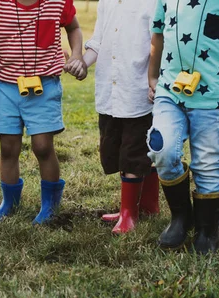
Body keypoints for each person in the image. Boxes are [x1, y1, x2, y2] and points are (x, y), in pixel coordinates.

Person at [147, 0, 219, 253]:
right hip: (169, 91)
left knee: (207, 162)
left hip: (211, 96)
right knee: (161, 146)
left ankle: (207, 230)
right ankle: (181, 217)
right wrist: (152, 75)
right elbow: (157, 37)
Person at [0, 0, 87, 224]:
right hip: (6, 86)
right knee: (8, 146)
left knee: (43, 146)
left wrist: (76, 54)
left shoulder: (57, 2)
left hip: (44, 86)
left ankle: (49, 206)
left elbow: (73, 28)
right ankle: (10, 202)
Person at [83, 0, 160, 234]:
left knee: (134, 153)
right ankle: (144, 205)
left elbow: (158, 43)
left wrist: (154, 80)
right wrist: (83, 63)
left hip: (137, 92)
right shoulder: (107, 3)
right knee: (116, 149)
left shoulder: (153, 3)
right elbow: (97, 41)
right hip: (111, 91)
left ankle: (129, 214)